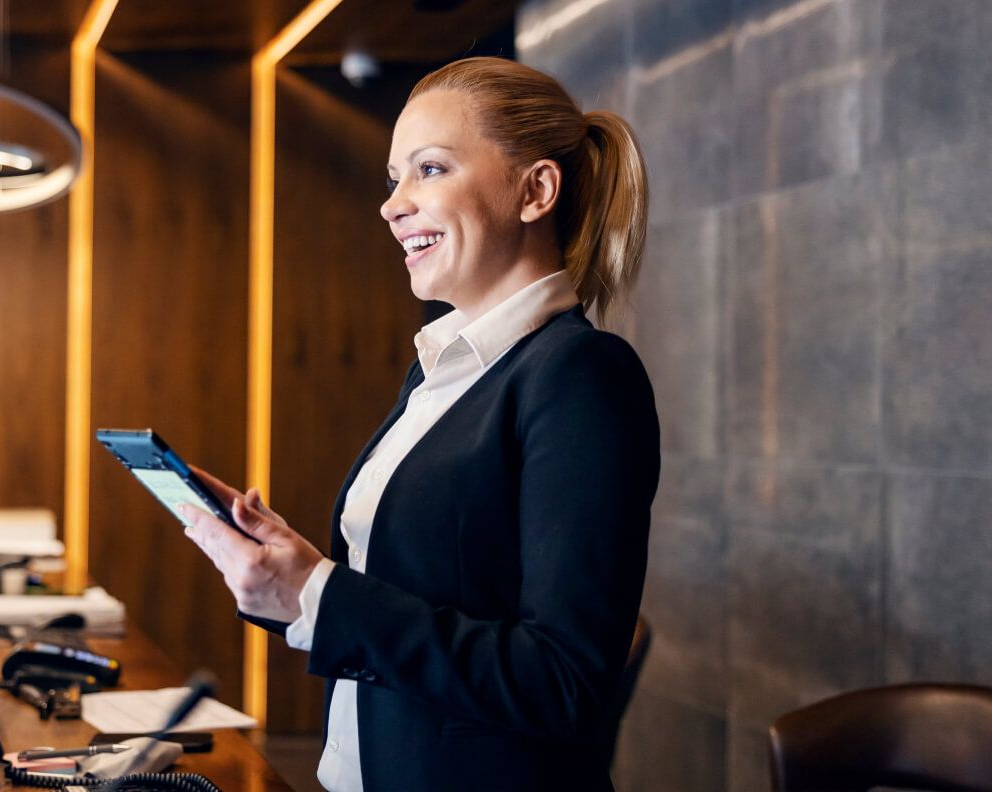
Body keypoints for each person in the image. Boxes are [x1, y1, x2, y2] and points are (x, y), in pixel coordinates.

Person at [180, 57, 661, 792]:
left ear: (536, 191)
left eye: (429, 169)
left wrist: (322, 594)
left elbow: (563, 681)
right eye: (393, 178)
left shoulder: (582, 377)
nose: (393, 204)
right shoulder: (442, 368)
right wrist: (291, 583)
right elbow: (406, 604)